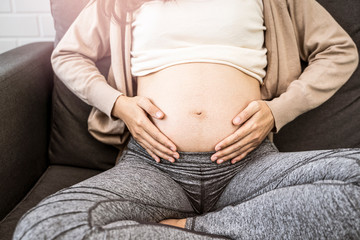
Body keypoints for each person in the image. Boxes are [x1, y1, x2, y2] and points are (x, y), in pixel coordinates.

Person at [13, 0, 359, 239]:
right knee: (45, 229)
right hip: (153, 168)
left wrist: (278, 111)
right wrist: (118, 104)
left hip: (251, 166)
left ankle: (186, 228)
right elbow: (69, 54)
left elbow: (339, 50)